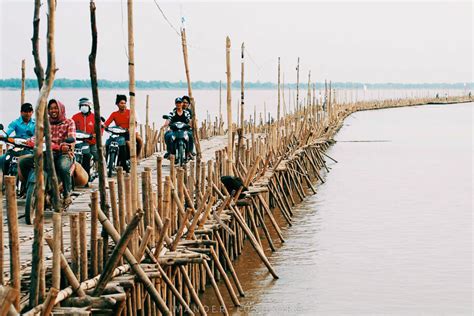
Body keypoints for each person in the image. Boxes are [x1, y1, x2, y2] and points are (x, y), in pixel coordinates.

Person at [19, 99, 76, 205]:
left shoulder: (69, 122)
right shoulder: (45, 122)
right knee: (23, 162)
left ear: (61, 109)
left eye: (55, 108)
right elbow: (37, 136)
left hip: (62, 154)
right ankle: (29, 188)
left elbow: (72, 138)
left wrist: (66, 145)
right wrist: (30, 141)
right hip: (46, 153)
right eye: (51, 108)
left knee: (63, 167)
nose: (53, 110)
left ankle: (67, 194)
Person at [104, 94, 142, 172]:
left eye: (124, 103)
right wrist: (103, 126)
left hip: (128, 132)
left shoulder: (130, 112)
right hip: (118, 132)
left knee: (133, 141)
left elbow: (135, 123)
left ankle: (135, 158)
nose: (123, 105)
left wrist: (130, 128)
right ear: (117, 104)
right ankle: (110, 160)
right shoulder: (114, 114)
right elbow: (107, 123)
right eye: (121, 103)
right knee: (108, 142)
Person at [0, 103, 35, 175]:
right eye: (25, 111)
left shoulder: (36, 123)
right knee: (5, 159)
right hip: (17, 146)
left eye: (29, 111)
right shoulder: (15, 123)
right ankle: (4, 179)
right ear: (21, 112)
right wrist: (3, 136)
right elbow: (7, 132)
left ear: (32, 112)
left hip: (30, 148)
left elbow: (40, 133)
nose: (27, 113)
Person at [71, 97, 100, 181]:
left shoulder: (94, 117)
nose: (84, 106)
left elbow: (100, 127)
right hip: (79, 143)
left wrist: (96, 134)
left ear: (89, 106)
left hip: (91, 142)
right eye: (82, 105)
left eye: (85, 105)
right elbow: (71, 127)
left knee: (98, 156)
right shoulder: (75, 117)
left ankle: (100, 172)